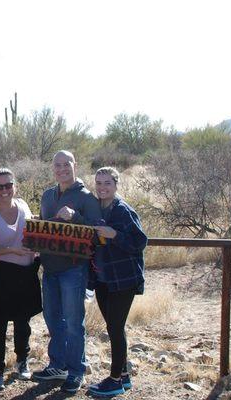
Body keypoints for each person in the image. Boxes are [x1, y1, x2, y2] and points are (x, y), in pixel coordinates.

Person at [32, 150, 101, 393]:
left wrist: (77, 217)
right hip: (50, 268)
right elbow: (44, 227)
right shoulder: (48, 195)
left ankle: (76, 370)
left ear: (75, 165)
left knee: (73, 322)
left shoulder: (86, 197)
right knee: (52, 319)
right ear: (53, 168)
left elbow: (97, 233)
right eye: (57, 165)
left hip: (73, 269)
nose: (61, 169)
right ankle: (58, 365)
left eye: (66, 164)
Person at [87, 167, 147, 396]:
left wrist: (114, 235)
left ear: (116, 185)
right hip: (102, 279)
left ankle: (114, 381)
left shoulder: (123, 211)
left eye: (107, 183)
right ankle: (123, 376)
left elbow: (139, 242)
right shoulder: (96, 208)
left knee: (114, 328)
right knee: (114, 327)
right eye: (99, 183)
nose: (102, 187)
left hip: (123, 279)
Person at [0, 168, 42, 390]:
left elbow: (33, 231)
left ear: (14, 185)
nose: (5, 190)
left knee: (22, 321)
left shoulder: (24, 206)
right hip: (0, 274)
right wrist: (13, 251)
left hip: (26, 273)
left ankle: (21, 361)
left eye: (8, 185)